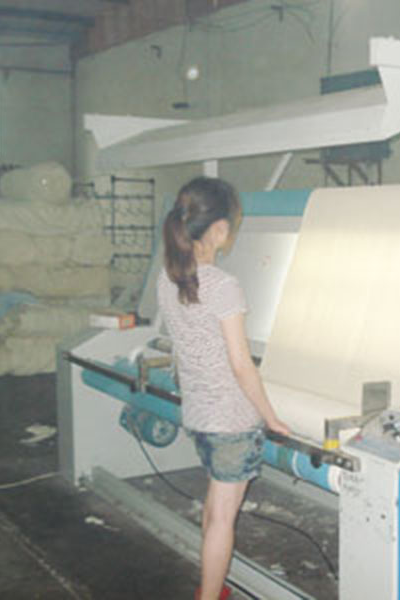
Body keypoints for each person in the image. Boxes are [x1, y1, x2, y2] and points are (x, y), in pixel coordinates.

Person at [157, 176, 290, 599]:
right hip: (231, 420)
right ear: (218, 229)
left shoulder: (167, 279)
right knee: (222, 519)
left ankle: (212, 587)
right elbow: (241, 365)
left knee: (215, 508)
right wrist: (270, 418)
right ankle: (209, 595)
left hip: (199, 414)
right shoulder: (222, 285)